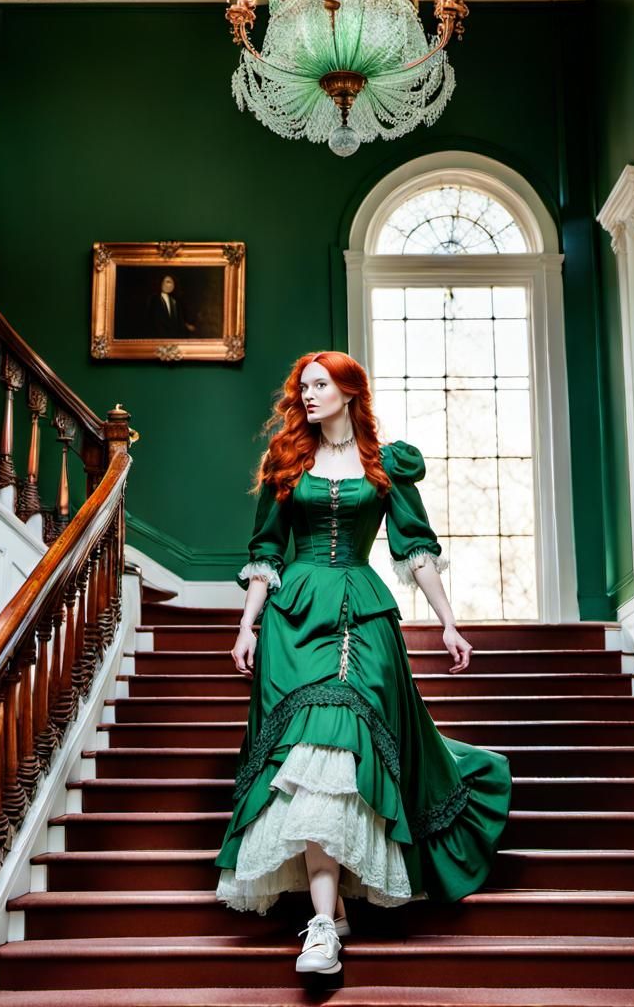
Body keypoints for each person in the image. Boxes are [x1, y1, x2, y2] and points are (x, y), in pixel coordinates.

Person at [214, 350, 512, 977]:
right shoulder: (285, 460)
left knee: (343, 746)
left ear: (350, 392)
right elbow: (266, 552)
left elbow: (416, 550)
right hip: (294, 620)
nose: (308, 395)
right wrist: (246, 625)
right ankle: (327, 919)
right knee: (307, 760)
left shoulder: (385, 464)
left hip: (363, 617)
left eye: (321, 385)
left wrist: (448, 621)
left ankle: (327, 919)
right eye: (304, 386)